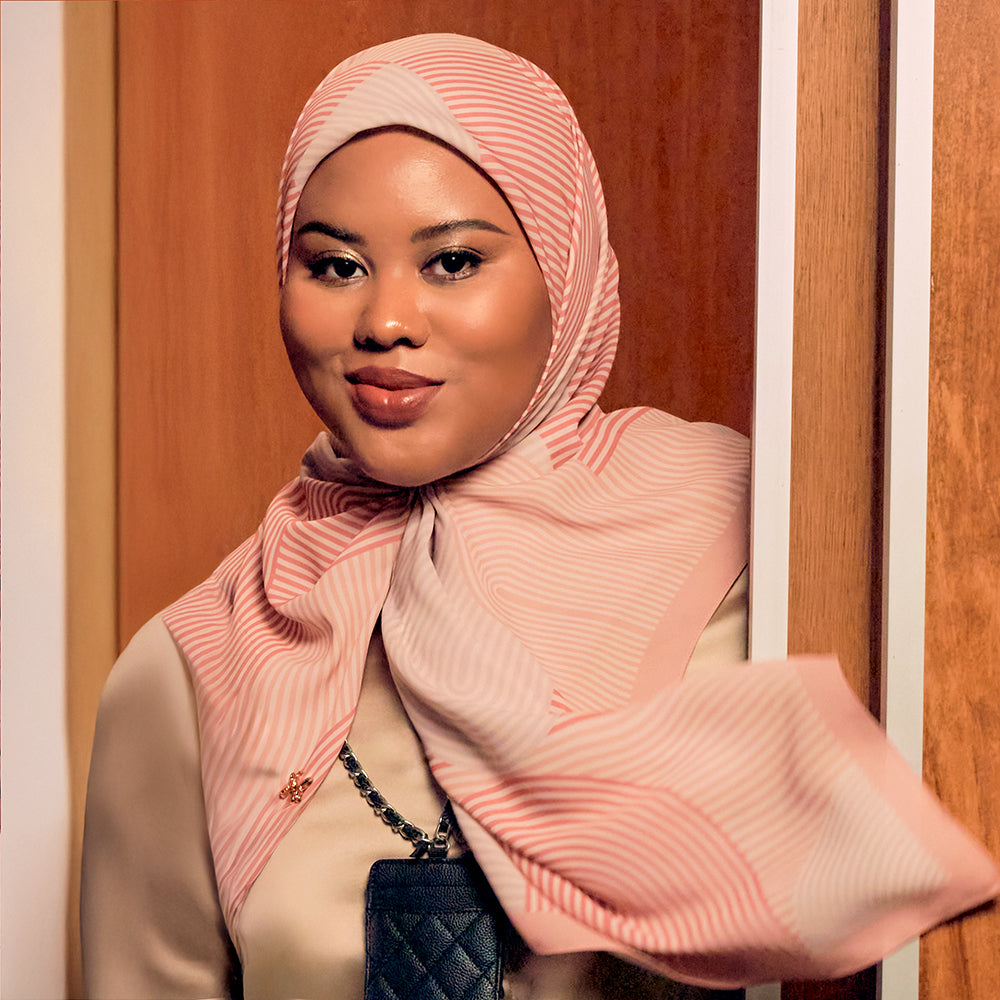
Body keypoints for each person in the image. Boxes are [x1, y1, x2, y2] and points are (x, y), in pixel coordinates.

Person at [81, 33, 998, 1000]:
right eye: (338, 266)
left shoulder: (760, 557)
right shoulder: (191, 674)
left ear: (563, 271)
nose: (385, 320)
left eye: (453, 261)